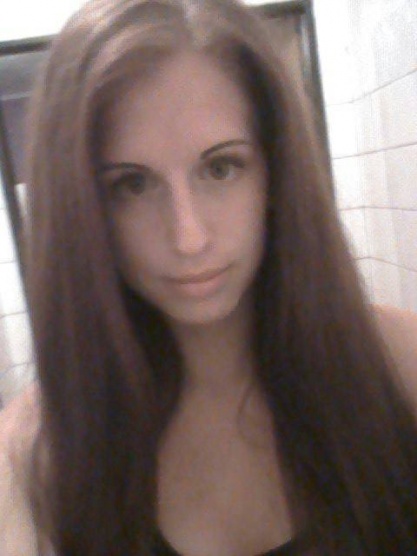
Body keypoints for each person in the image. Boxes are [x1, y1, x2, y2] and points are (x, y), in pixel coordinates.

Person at [1, 0, 417, 554]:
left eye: (221, 168)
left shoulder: (399, 365)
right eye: (132, 185)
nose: (189, 237)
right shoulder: (38, 452)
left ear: (274, 173)